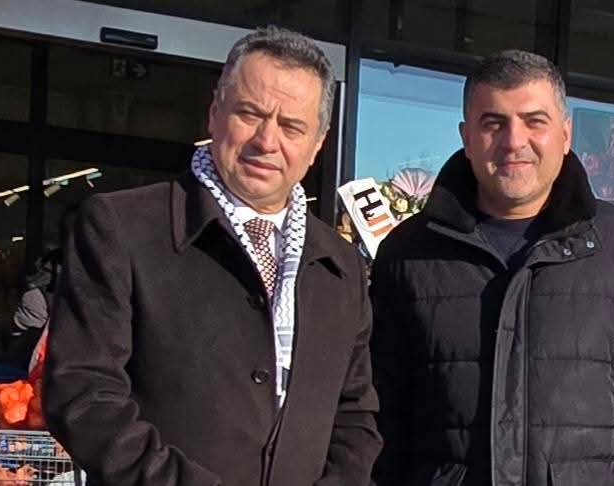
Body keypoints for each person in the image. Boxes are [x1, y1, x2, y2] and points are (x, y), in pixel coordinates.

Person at [43, 26, 382, 486]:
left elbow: (355, 414)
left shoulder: (341, 264)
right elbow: (85, 394)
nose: (267, 141)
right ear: (215, 112)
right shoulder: (122, 227)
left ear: (317, 144)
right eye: (250, 113)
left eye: (291, 126)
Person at [370, 50, 614, 486]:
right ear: (466, 137)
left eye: (534, 121)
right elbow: (380, 417)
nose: (513, 141)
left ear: (565, 134)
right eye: (493, 123)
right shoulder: (408, 254)